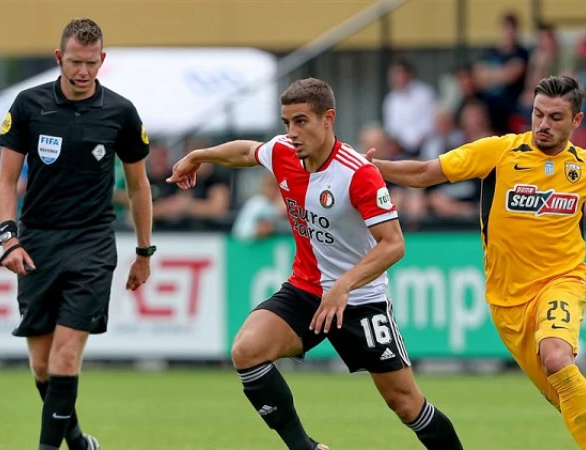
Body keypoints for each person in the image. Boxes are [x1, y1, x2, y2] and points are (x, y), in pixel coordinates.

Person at [367, 75, 586, 450]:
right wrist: (371, 168)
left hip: (562, 281)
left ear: (576, 122)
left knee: (557, 357)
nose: (543, 124)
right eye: (538, 114)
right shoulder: (499, 152)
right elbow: (425, 173)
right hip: (507, 301)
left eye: (555, 117)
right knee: (563, 393)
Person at [168, 78, 464, 450]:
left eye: (301, 121)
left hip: (361, 299)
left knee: (406, 405)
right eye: (286, 122)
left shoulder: (357, 173)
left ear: (328, 118)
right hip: (307, 289)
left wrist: (343, 286)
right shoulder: (283, 152)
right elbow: (247, 152)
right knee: (246, 351)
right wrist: (200, 156)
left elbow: (393, 244)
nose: (291, 132)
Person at [0, 18, 154, 450]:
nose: (82, 72)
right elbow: (6, 180)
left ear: (102, 60)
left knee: (66, 355)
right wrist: (9, 239)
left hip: (93, 244)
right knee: (42, 364)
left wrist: (144, 252)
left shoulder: (120, 112)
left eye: (91, 63)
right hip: (37, 241)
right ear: (58, 57)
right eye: (74, 63)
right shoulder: (28, 105)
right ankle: (78, 441)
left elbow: (139, 187)